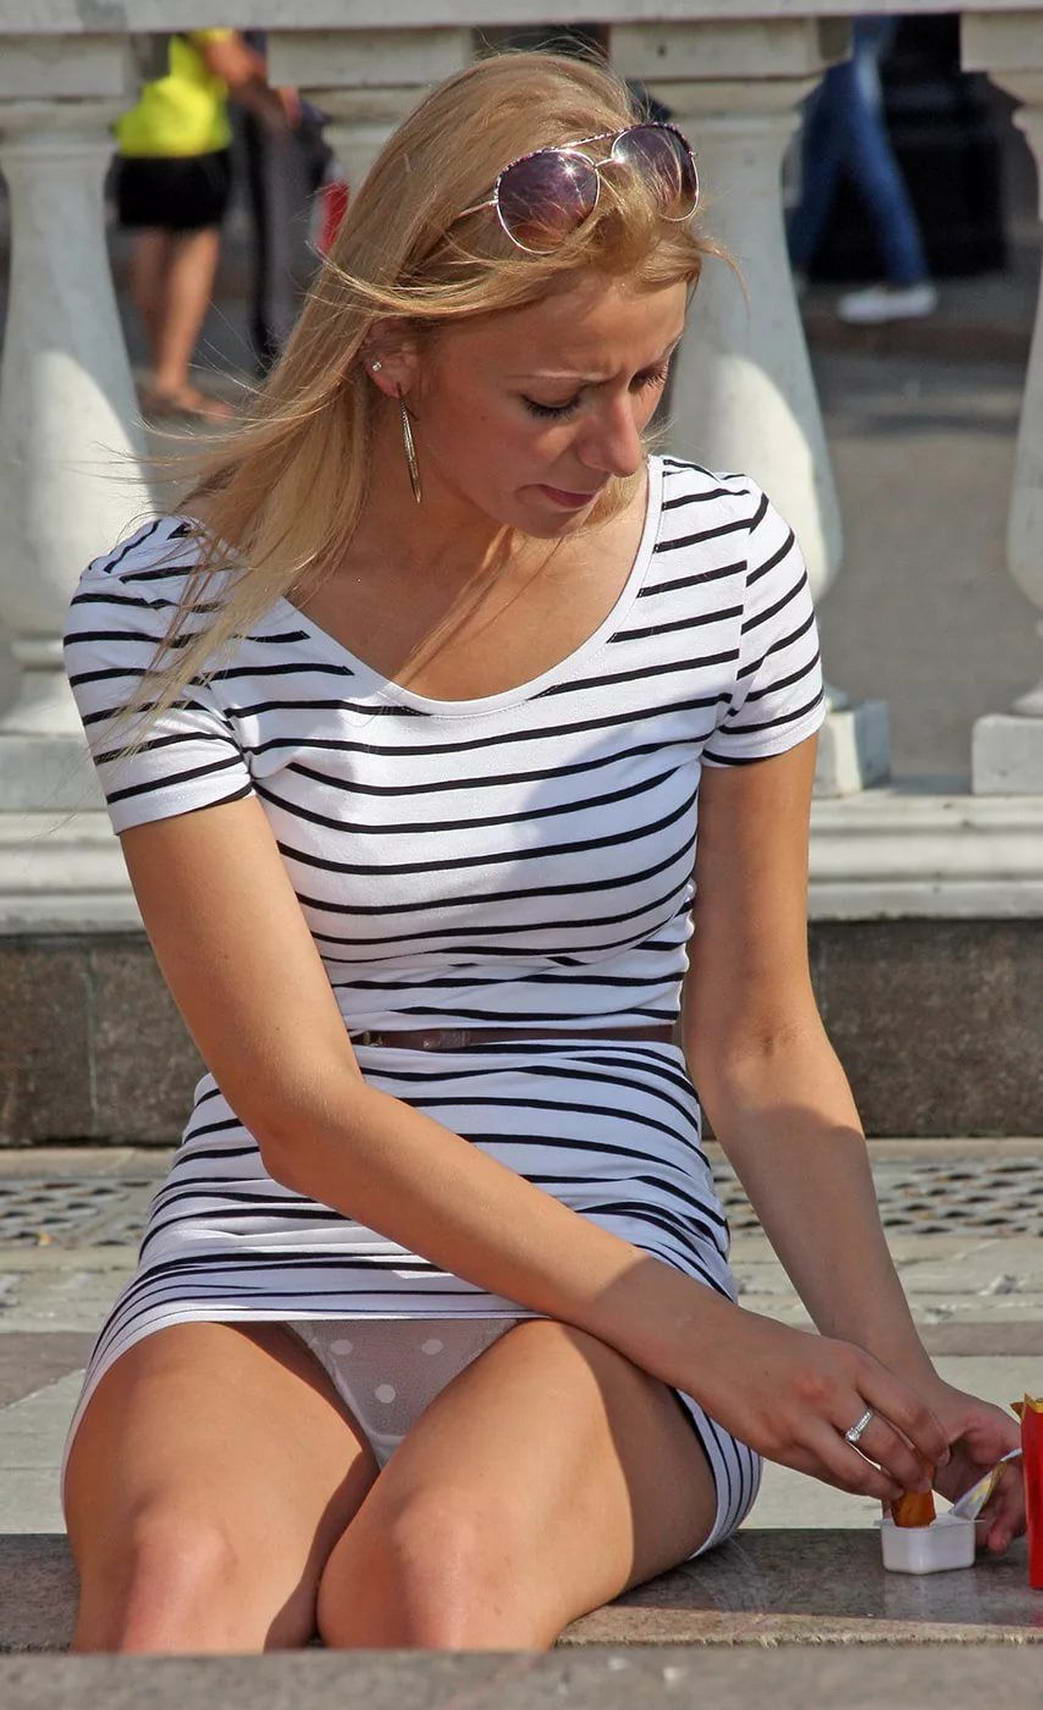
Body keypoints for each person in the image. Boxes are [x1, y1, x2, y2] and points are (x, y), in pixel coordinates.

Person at [62, 50, 1022, 1654]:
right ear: (392, 352)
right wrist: (714, 1341)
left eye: (647, 380)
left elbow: (757, 1037)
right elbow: (297, 1103)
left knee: (431, 1584)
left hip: (614, 1233)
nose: (615, 446)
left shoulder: (723, 565)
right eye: (554, 398)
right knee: (172, 1598)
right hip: (273, 1249)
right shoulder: (166, 611)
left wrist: (889, 1382)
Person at [114, 29, 297, 420]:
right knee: (194, 250)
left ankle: (161, 371)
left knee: (149, 246)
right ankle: (170, 380)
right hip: (191, 133)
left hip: (138, 129)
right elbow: (224, 58)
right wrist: (275, 88)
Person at [788, 15, 938, 325]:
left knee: (860, 139)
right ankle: (793, 261)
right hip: (851, 18)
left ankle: (908, 275)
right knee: (826, 141)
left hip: (845, 17)